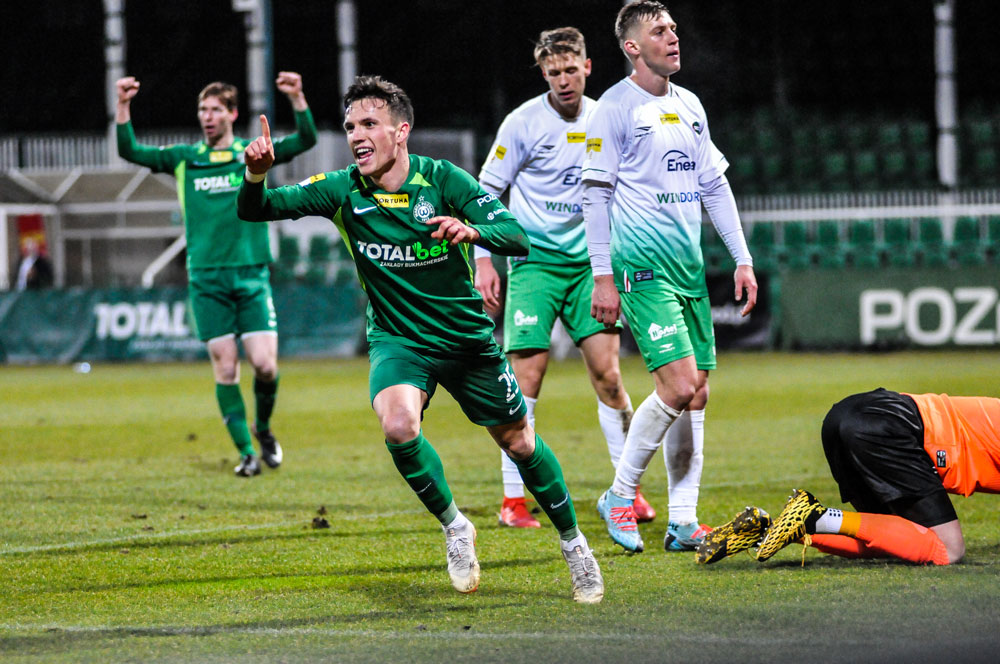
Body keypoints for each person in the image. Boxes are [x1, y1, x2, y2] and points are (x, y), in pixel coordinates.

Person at [237, 75, 604, 603]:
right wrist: (255, 173)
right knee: (398, 425)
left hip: (465, 341)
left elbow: (516, 236)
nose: (356, 136)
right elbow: (256, 209)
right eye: (350, 127)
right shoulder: (342, 190)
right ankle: (456, 526)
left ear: (401, 130)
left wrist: (473, 230)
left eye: (369, 124)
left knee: (519, 442)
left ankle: (574, 544)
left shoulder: (444, 180)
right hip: (399, 340)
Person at [583, 0, 757, 553]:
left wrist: (742, 258)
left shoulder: (690, 104)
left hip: (687, 268)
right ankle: (620, 495)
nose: (674, 37)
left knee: (697, 393)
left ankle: (683, 521)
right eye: (660, 31)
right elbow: (595, 195)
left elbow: (714, 186)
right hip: (642, 267)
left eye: (675, 28)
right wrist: (602, 276)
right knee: (678, 386)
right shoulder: (614, 108)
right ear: (633, 47)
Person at [475, 27, 651, 529]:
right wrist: (484, 262)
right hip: (533, 266)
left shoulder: (607, 118)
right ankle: (514, 501)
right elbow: (486, 192)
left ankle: (627, 490)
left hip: (591, 269)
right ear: (544, 74)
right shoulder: (522, 122)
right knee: (524, 381)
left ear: (587, 67)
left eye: (571, 70)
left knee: (610, 378)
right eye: (553, 73)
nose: (564, 80)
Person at [115, 72, 317, 477]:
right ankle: (246, 453)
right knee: (226, 367)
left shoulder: (252, 152)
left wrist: (297, 98)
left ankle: (263, 429)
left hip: (251, 273)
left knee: (265, 366)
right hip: (207, 278)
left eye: (214, 109)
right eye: (202, 110)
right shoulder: (184, 157)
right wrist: (122, 104)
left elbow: (305, 140)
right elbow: (130, 150)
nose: (207, 116)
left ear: (232, 114)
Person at [699, 388, 999, 566]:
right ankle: (814, 517)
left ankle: (773, 530)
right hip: (890, 427)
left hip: (848, 415)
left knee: (893, 540)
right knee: (949, 549)